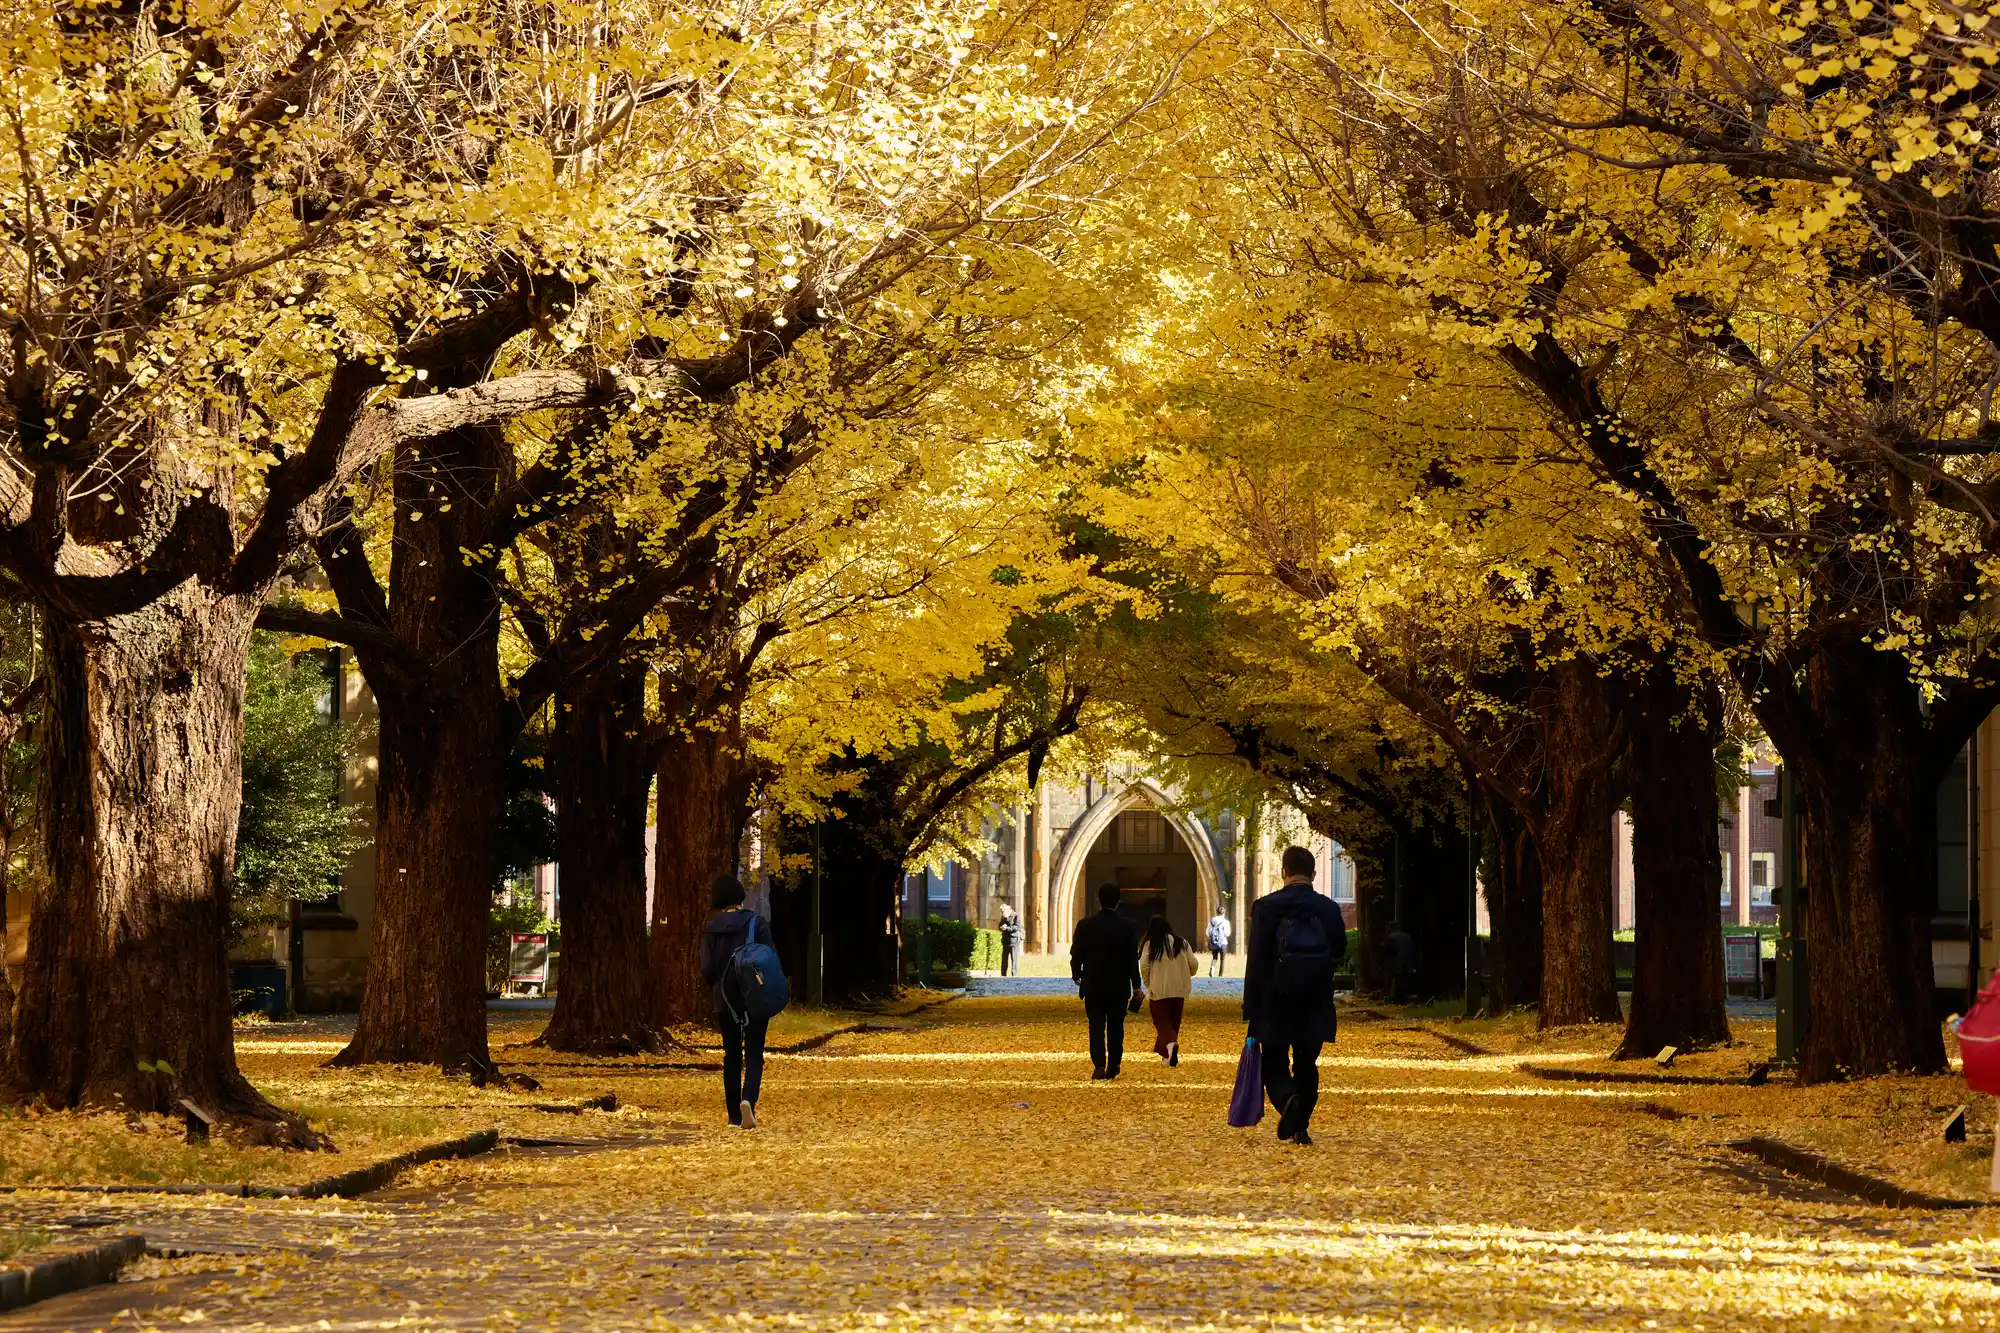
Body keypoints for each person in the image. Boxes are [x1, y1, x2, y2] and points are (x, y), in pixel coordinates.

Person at [1243, 845, 1347, 1146]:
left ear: (1283, 872)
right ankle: (1301, 1125)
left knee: (1274, 1062)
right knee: (1306, 1062)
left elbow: (1257, 961)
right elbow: (1339, 950)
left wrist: (1251, 1006)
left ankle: (1288, 1099)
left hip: (1275, 999)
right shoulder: (1327, 908)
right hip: (1315, 999)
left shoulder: (1266, 907)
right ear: (1313, 874)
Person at [700, 874, 770, 1129]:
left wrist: (718, 989)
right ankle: (748, 1099)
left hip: (725, 1000)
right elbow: (770, 958)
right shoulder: (757, 923)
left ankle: (733, 1116)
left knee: (731, 1054)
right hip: (755, 998)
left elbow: (707, 968)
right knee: (754, 1052)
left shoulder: (712, 928)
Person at [1069, 882, 1142, 1079]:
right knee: (1116, 1027)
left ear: (1098, 899)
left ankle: (1099, 1064)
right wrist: (1137, 986)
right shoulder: (1127, 927)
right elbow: (1131, 959)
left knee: (1096, 1026)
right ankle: (1114, 1064)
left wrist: (1076, 973)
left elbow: (1076, 953)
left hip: (1093, 984)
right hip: (1118, 986)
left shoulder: (1085, 925)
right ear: (1119, 901)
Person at [1140, 915, 1200, 1065]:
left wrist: (1149, 983)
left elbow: (1144, 966)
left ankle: (1171, 1046)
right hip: (1180, 990)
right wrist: (1186, 974)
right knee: (1173, 1022)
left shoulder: (1151, 944)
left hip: (1159, 990)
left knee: (1162, 1023)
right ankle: (1167, 1055)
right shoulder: (1181, 942)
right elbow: (1194, 963)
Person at [1384, 921, 1418, 1003]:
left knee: (1396, 981)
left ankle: (1396, 998)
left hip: (1396, 962)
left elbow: (1387, 951)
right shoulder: (1406, 936)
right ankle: (1403, 998)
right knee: (1404, 980)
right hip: (1406, 961)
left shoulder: (1391, 937)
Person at [998, 901, 1024, 977]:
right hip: (1005, 940)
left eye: (1003, 911)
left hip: (1013, 940)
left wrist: (1007, 928)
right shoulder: (1003, 916)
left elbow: (1017, 927)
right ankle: (1003, 973)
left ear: (1007, 910)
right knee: (1004, 958)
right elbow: (1000, 925)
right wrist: (1001, 927)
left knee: (1014, 958)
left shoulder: (1015, 915)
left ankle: (1014, 973)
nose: (1002, 913)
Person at [1207, 910, 1233, 977]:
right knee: (1222, 959)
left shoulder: (1212, 921)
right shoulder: (1226, 922)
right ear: (1224, 913)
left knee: (1214, 957)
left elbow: (1207, 932)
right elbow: (1228, 933)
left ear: (1217, 912)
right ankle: (1220, 975)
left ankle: (1212, 968)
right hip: (1223, 943)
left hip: (1214, 942)